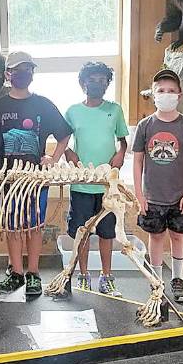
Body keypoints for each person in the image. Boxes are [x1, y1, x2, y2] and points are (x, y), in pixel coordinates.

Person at [0, 51, 72, 296]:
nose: (23, 74)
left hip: (35, 179)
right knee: (12, 227)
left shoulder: (43, 104)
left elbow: (64, 133)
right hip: (7, 179)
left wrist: (52, 158)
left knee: (34, 226)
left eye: (27, 69)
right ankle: (17, 273)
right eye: (17, 69)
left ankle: (33, 273)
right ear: (7, 74)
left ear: (33, 73)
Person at [133, 69, 183, 304]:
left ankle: (177, 279)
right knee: (155, 237)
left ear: (179, 95)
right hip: (153, 195)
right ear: (153, 95)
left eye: (171, 91)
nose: (166, 94)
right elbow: (137, 160)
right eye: (161, 91)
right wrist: (139, 194)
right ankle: (156, 279)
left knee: (177, 236)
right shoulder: (145, 125)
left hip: (179, 196)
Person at [64, 62, 128, 296]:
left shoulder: (115, 110)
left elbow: (123, 141)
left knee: (107, 232)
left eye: (103, 81)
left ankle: (106, 276)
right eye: (93, 80)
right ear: (83, 82)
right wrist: (69, 154)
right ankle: (82, 275)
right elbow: (63, 140)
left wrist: (120, 155)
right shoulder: (72, 111)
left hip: (107, 184)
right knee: (82, 232)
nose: (97, 84)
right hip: (82, 183)